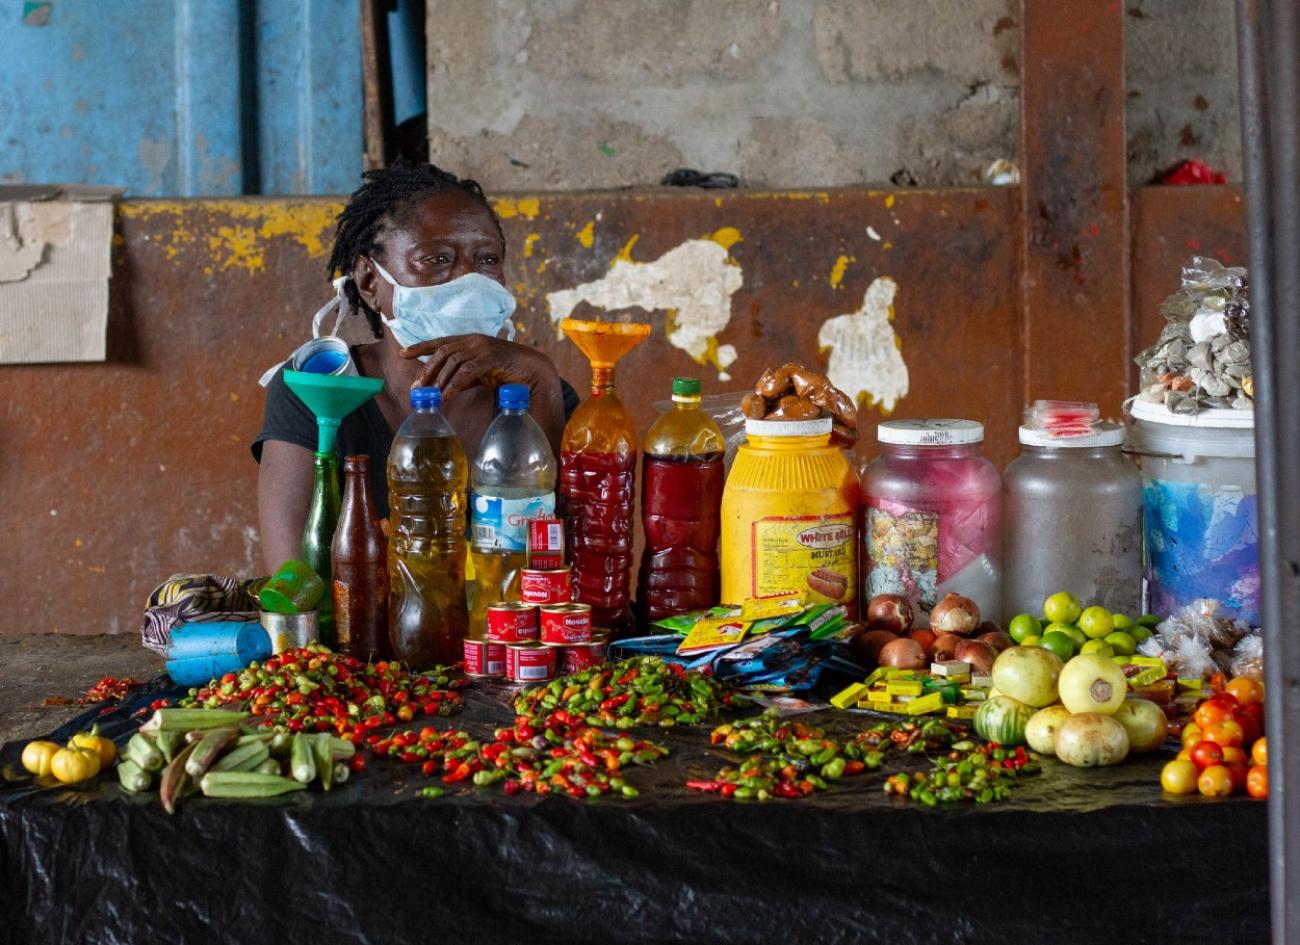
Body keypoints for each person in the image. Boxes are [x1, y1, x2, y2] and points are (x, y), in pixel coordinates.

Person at [253, 162, 577, 572]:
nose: (467, 280)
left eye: (487, 259)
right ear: (370, 281)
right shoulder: (314, 389)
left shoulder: (541, 392)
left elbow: (570, 574)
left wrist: (542, 380)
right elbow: (294, 582)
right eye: (437, 258)